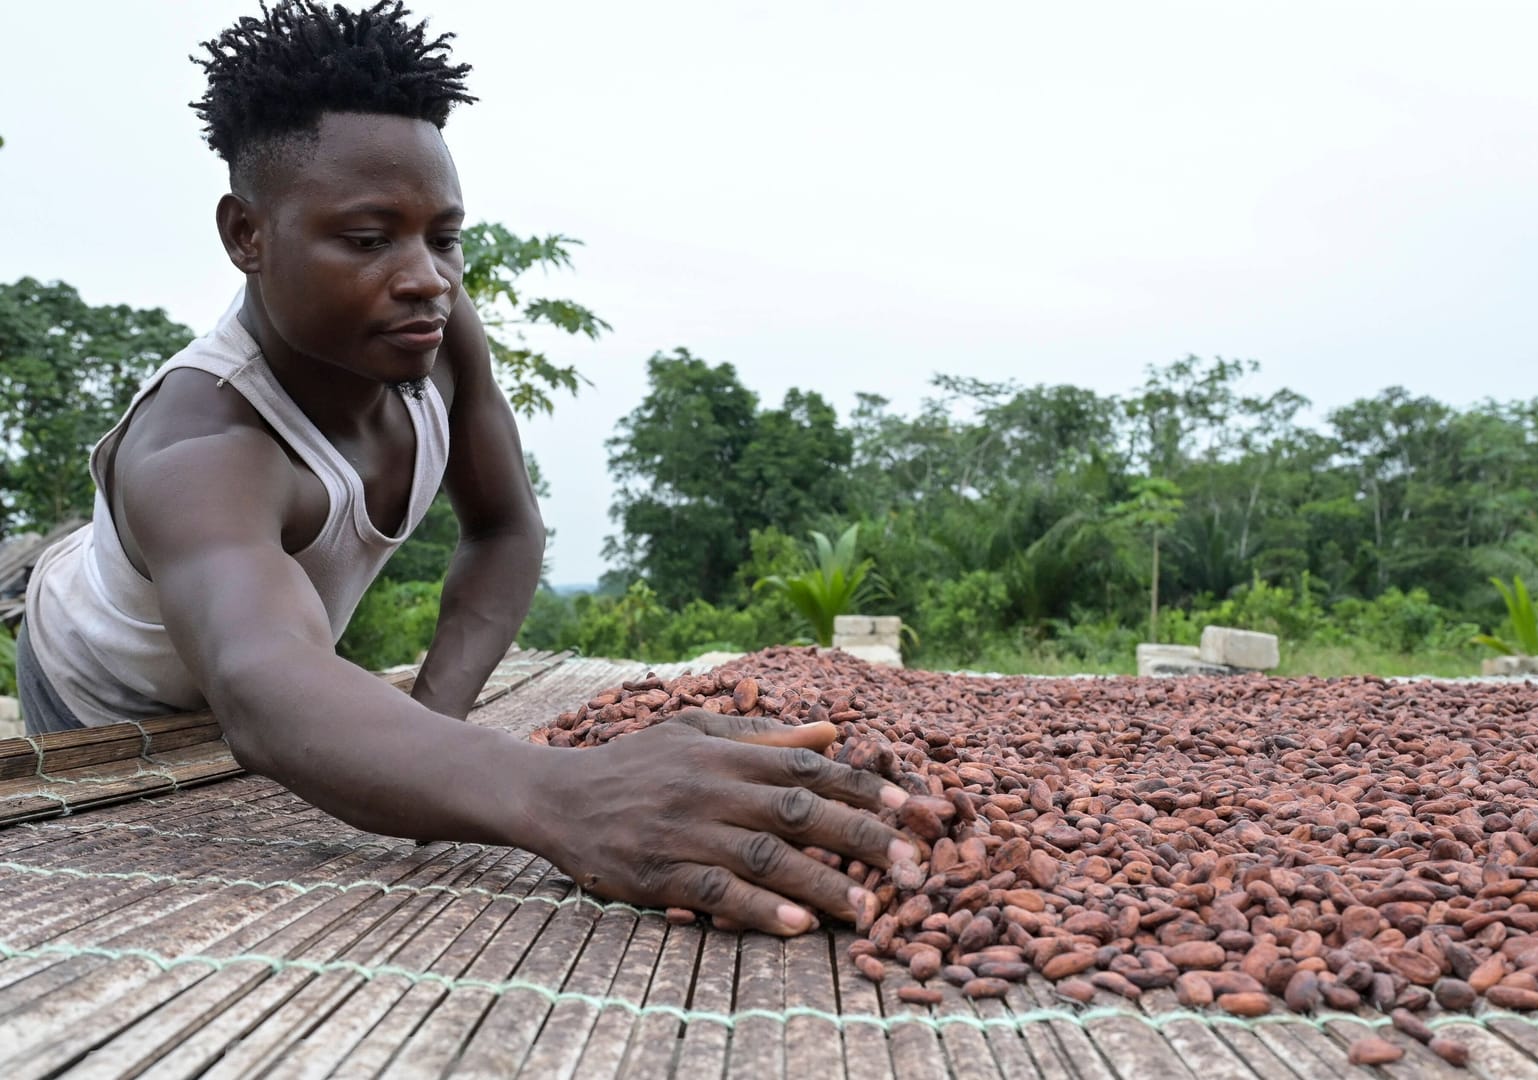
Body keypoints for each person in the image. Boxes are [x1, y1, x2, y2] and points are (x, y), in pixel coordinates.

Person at [17, 0, 911, 936]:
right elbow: (258, 684)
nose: (427, 278)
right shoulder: (200, 445)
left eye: (442, 236)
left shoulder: (431, 330)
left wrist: (442, 721)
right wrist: (563, 796)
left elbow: (503, 529)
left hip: (250, 656)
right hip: (107, 691)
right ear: (247, 234)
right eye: (368, 240)